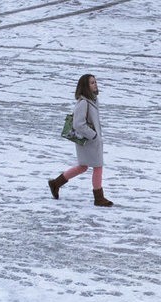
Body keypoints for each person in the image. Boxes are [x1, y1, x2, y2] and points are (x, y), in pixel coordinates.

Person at [48, 74, 113, 206]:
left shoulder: (93, 100)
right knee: (98, 166)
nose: (95, 84)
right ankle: (98, 198)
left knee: (83, 166)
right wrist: (93, 135)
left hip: (92, 141)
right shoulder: (83, 103)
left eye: (95, 82)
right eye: (92, 83)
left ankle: (56, 183)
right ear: (85, 86)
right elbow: (78, 124)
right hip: (88, 141)